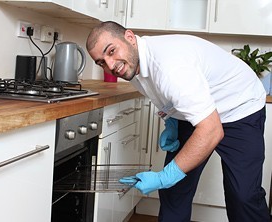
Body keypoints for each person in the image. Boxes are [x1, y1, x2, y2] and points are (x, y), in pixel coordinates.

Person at [86, 21, 270, 222]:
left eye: (111, 51)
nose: (110, 65)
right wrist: (173, 122)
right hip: (201, 111)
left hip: (239, 107)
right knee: (174, 191)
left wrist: (164, 177)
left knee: (243, 197)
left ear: (129, 37)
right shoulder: (132, 63)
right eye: (101, 62)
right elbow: (167, 94)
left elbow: (211, 130)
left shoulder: (170, 66)